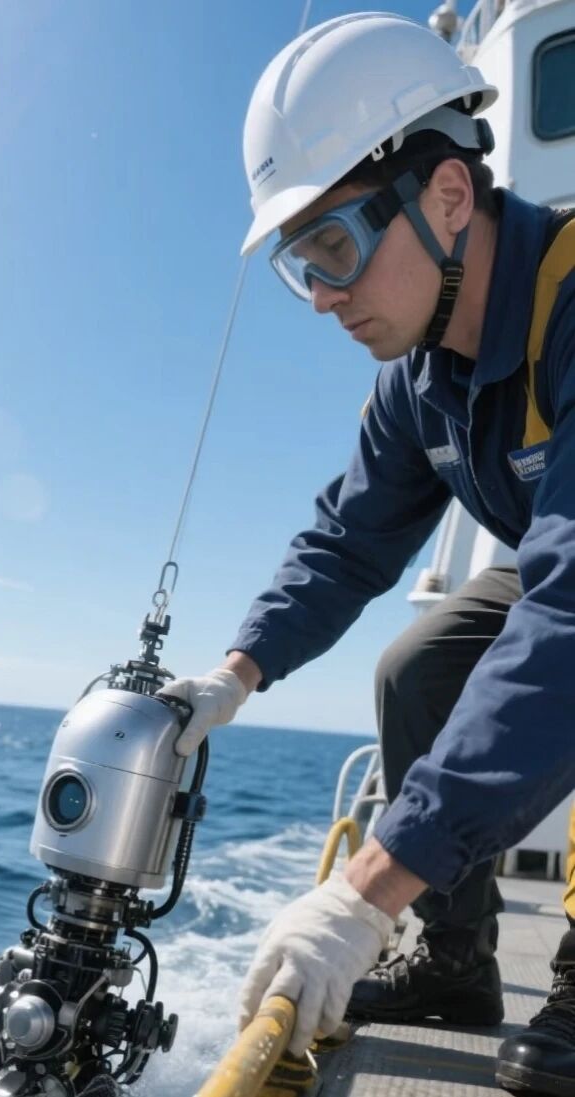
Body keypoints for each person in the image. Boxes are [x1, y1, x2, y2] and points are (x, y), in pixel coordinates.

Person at [156, 12, 575, 1095]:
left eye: (334, 247)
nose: (325, 296)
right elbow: (345, 540)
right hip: (556, 569)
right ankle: (451, 960)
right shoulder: (419, 378)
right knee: (419, 664)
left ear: (444, 195)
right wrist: (232, 674)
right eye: (302, 268)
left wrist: (361, 891)